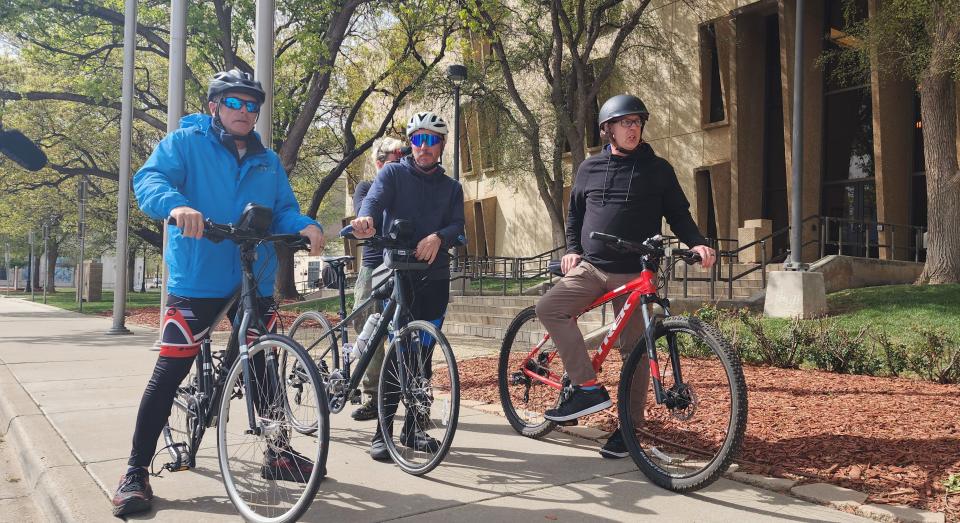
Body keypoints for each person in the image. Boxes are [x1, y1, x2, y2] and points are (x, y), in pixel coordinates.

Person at [112, 69, 325, 517]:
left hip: (254, 278)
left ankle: (277, 451)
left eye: (252, 105)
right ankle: (135, 470)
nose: (244, 111)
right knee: (169, 372)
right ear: (215, 106)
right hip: (198, 280)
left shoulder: (267, 161)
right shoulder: (185, 143)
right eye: (235, 102)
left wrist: (306, 225)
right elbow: (150, 182)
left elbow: (284, 209)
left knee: (264, 361)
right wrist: (178, 205)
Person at [535, 94, 716, 459]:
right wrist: (571, 249)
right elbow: (574, 215)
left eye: (637, 122)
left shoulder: (658, 170)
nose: (633, 128)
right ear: (608, 129)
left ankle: (628, 431)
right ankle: (585, 387)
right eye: (625, 122)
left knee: (635, 351)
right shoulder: (588, 169)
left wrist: (698, 243)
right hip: (591, 266)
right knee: (550, 307)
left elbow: (679, 214)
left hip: (635, 271)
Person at [350, 111, 465, 460]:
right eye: (418, 139)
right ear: (411, 143)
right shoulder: (394, 174)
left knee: (424, 355)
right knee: (399, 353)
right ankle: (382, 432)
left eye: (432, 140)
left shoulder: (452, 188)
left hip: (435, 278)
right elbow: (373, 200)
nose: (424, 146)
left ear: (442, 145)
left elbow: (459, 227)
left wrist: (439, 237)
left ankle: (415, 428)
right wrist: (366, 216)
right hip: (399, 273)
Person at [350, 136, 406, 421]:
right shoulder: (366, 187)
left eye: (398, 162)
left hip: (403, 266)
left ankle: (405, 395)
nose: (394, 168)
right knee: (368, 330)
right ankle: (374, 395)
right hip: (374, 267)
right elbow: (365, 213)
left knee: (405, 332)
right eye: (388, 163)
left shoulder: (411, 186)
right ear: (378, 163)